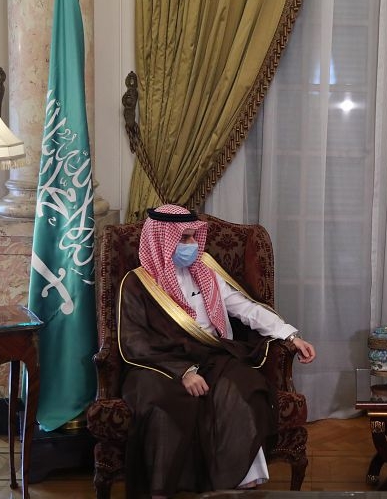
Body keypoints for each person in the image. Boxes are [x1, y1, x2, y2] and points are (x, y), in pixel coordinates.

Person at [118, 204, 316, 498]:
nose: (191, 244)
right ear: (161, 239)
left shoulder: (205, 271)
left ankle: (242, 480)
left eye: (192, 236)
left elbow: (246, 309)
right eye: (183, 238)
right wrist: (183, 372)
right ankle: (166, 489)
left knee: (243, 390)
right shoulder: (137, 283)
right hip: (159, 364)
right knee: (164, 407)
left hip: (213, 355)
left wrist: (290, 335)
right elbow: (135, 342)